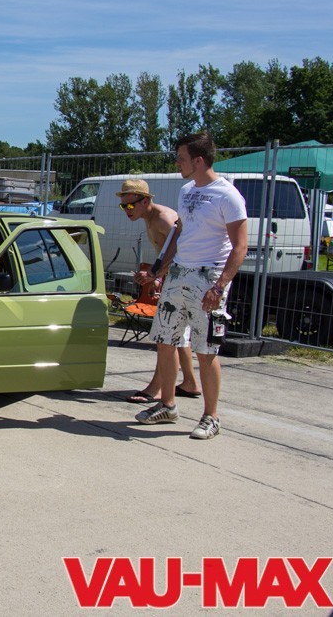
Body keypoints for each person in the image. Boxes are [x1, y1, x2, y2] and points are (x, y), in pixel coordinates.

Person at [136, 131, 248, 440]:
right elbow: (179, 234)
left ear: (198, 160)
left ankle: (211, 417)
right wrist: (159, 270)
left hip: (208, 278)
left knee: (205, 350)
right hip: (178, 275)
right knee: (165, 341)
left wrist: (220, 286)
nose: (177, 163)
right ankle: (167, 406)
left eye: (181, 158)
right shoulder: (186, 191)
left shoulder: (228, 196)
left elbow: (240, 246)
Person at [115, 179, 200, 403]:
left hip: (183, 280)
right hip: (175, 280)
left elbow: (182, 250)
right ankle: (190, 383)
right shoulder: (149, 218)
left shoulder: (163, 218)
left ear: (145, 201)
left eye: (130, 205)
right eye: (123, 206)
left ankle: (158, 388)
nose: (127, 210)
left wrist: (155, 274)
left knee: (166, 336)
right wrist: (158, 277)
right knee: (178, 336)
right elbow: (165, 251)